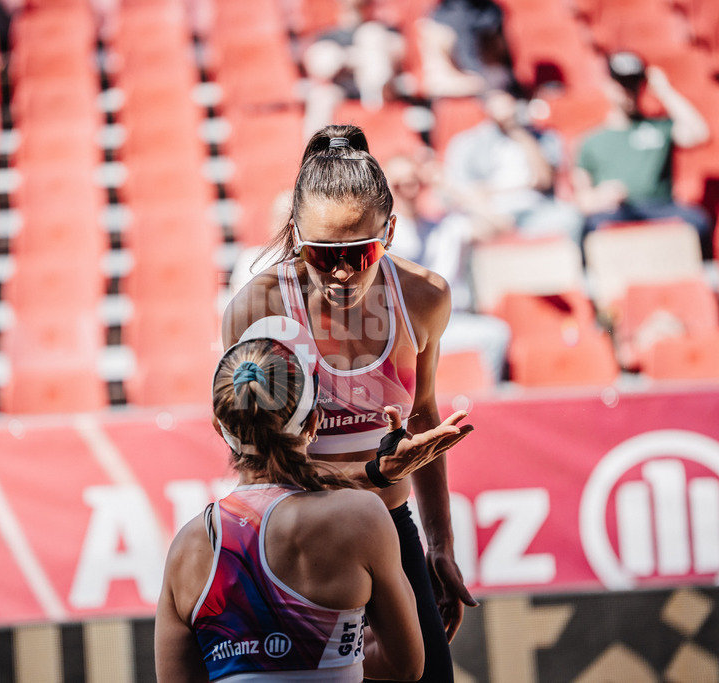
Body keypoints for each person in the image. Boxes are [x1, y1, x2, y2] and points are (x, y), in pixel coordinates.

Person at [222, 125, 477, 683]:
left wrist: (439, 544)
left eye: (361, 253)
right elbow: (254, 464)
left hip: (392, 522)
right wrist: (372, 474)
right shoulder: (258, 308)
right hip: (298, 536)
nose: (340, 273)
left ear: (390, 229)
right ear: (294, 235)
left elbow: (424, 416)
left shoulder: (425, 296)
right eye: (320, 254)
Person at [155, 316, 428, 681]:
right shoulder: (361, 517)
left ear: (219, 427)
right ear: (314, 422)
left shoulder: (188, 548)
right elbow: (406, 666)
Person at [383, 152, 511, 382]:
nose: (408, 191)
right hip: (407, 329)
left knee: (496, 334)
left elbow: (501, 225)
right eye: (398, 184)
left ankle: (488, 404)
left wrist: (448, 185)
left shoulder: (447, 228)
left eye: (413, 182)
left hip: (451, 323)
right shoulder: (381, 235)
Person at [572, 51, 712, 249]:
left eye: (634, 84)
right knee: (592, 227)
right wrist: (599, 198)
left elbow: (699, 133)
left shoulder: (659, 127)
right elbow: (581, 198)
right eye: (622, 84)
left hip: (661, 207)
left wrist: (664, 90)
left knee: (697, 221)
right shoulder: (590, 141)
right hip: (618, 211)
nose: (629, 91)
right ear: (609, 86)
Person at [442, 89, 584, 245]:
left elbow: (544, 180)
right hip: (489, 212)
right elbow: (458, 191)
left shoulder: (544, 137)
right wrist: (493, 215)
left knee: (571, 218)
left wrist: (518, 132)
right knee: (460, 230)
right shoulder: (467, 143)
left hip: (532, 210)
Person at [301, 0, 407, 135]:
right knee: (320, 95)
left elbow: (398, 54)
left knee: (370, 35)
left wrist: (355, 58)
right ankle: (317, 150)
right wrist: (343, 59)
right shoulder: (328, 36)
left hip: (381, 91)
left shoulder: (383, 30)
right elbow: (319, 66)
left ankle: (375, 110)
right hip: (344, 87)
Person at [416, 0, 515, 98]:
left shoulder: (492, 13)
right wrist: (481, 87)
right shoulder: (438, 21)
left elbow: (500, 66)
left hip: (496, 92)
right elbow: (436, 82)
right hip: (459, 98)